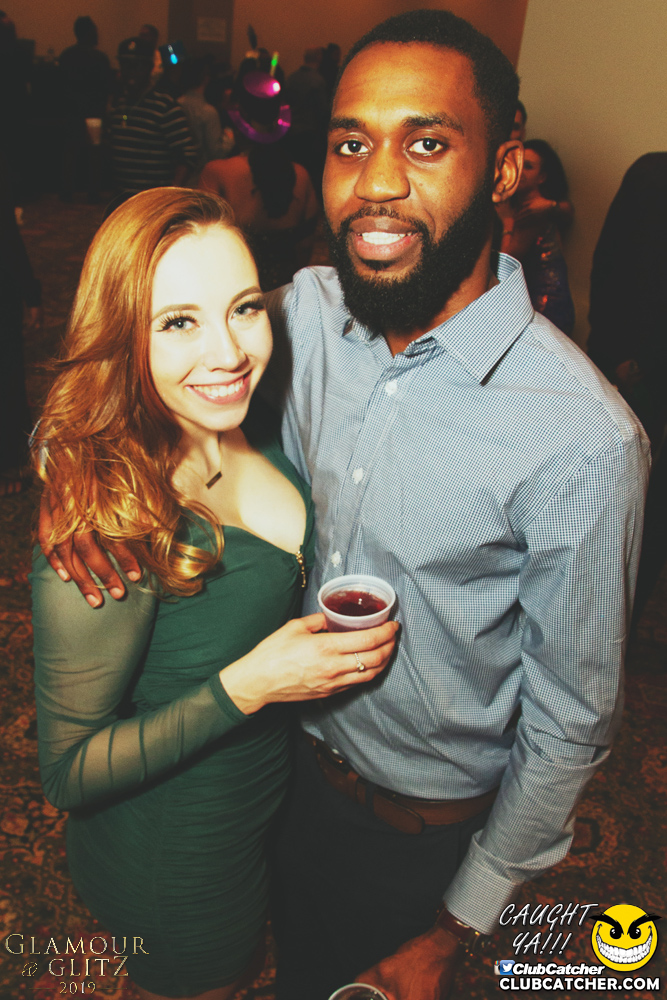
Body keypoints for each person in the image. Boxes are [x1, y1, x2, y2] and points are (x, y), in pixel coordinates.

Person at [38, 10, 650, 1000]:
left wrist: (456, 925)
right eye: (351, 144)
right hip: (268, 776)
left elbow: (570, 720)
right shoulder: (304, 315)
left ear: (504, 169)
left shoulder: (579, 437)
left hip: (410, 841)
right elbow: (138, 359)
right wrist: (67, 465)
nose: (376, 182)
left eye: (426, 143)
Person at [31, 187, 397, 1000]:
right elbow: (68, 772)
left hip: (263, 803)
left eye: (243, 308)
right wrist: (253, 682)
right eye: (177, 322)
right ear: (121, 336)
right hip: (181, 855)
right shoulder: (105, 528)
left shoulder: (245, 417)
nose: (228, 352)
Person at [200, 71, 319, 290]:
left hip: (236, 290)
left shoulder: (217, 172)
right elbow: (305, 246)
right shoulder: (302, 175)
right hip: (285, 292)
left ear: (238, 124)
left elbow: (203, 243)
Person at [108, 36, 197, 205]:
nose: (131, 72)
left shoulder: (165, 106)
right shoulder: (120, 103)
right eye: (126, 65)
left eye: (137, 66)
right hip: (122, 198)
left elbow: (187, 157)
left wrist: (168, 196)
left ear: (149, 67)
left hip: (152, 201)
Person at [499, 138, 576, 335]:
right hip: (540, 301)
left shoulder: (533, 211)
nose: (520, 171)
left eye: (528, 166)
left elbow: (507, 261)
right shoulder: (529, 204)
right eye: (518, 164)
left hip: (544, 305)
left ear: (541, 177)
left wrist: (507, 220)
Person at [178, 56, 234, 182]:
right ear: (206, 78)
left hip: (180, 177)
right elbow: (217, 153)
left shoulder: (177, 103)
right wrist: (230, 134)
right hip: (200, 178)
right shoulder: (208, 112)